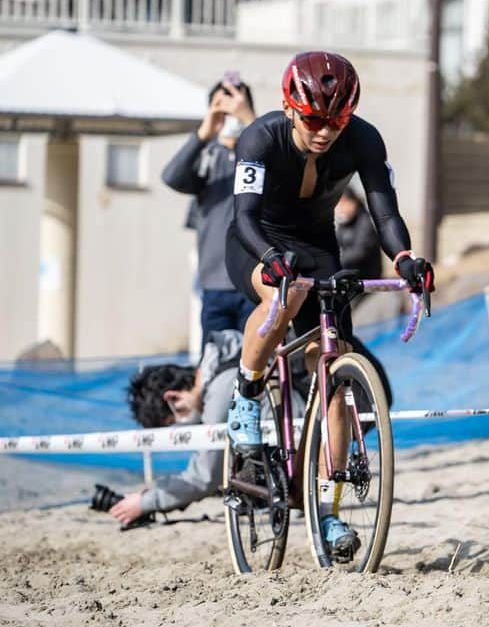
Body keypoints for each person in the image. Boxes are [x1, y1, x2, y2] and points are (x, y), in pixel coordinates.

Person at [223, 51, 434, 560]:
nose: (324, 132)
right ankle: (247, 395)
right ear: (291, 109)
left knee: (334, 377)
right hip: (258, 240)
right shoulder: (261, 138)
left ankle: (328, 509)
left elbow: (385, 209)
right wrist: (271, 258)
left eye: (335, 121)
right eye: (314, 120)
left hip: (318, 245)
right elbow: (244, 215)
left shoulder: (363, 138)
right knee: (289, 289)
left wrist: (405, 257)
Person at [106, 330, 244, 527]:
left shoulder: (219, 395)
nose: (180, 426)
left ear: (173, 398)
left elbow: (204, 476)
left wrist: (145, 503)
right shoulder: (222, 368)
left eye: (172, 422)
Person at [163, 74, 257, 346]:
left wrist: (251, 122)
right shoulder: (207, 155)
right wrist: (205, 132)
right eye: (222, 105)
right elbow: (172, 177)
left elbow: (284, 170)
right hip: (215, 283)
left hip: (255, 283)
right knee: (214, 363)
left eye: (236, 105)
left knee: (255, 366)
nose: (230, 113)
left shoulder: (261, 149)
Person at [335, 183, 384, 280]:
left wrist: (335, 260)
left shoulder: (365, 222)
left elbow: (359, 252)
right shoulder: (343, 223)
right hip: (347, 271)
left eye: (344, 203)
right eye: (338, 204)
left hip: (366, 275)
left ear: (353, 202)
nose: (340, 208)